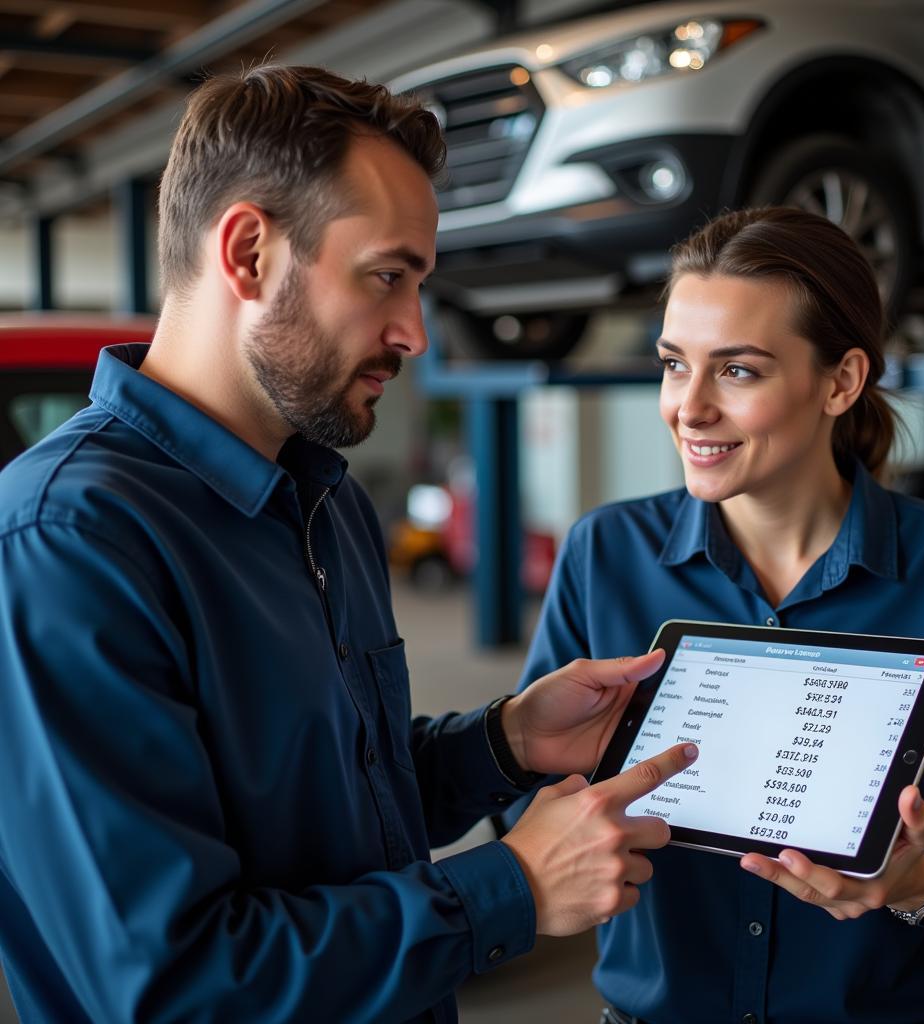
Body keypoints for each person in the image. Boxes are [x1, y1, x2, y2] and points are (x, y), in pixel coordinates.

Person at [0, 65, 699, 1024]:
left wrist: (503, 743)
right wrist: (512, 886)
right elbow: (168, 984)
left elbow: (325, 793)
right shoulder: (70, 543)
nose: (414, 332)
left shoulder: (323, 498)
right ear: (248, 252)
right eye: (387, 276)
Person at [517, 206, 924, 1024]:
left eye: (739, 371)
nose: (690, 407)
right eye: (674, 364)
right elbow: (531, 811)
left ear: (841, 382)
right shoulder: (604, 555)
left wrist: (919, 883)